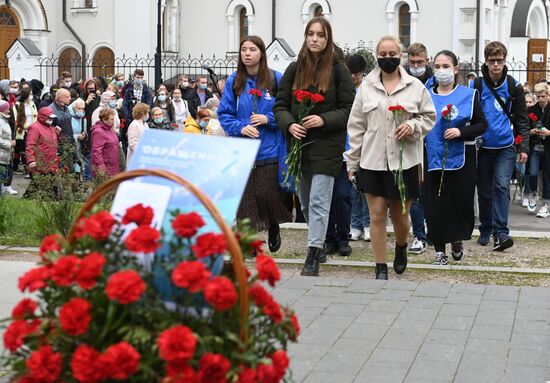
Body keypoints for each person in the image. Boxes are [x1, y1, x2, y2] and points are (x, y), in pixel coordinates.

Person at [345, 36, 436, 280]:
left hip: (404, 162)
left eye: (392, 54)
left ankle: (401, 246)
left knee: (400, 216)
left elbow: (429, 117)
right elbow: (356, 127)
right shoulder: (366, 87)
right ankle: (380, 267)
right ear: (376, 57)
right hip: (372, 161)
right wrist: (351, 163)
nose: (387, 58)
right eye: (382, 54)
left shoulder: (415, 87)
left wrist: (413, 126)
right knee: (375, 215)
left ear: (400, 55)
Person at [274, 18, 355, 276]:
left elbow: (349, 108)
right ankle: (318, 243)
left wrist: (323, 119)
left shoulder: (339, 70)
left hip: (327, 144)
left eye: (320, 35)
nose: (315, 39)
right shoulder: (294, 69)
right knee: (306, 203)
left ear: (328, 39)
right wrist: (289, 125)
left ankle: (312, 255)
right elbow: (280, 106)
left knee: (320, 200)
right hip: (299, 145)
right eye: (311, 34)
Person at [217, 36, 292, 252]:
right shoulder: (234, 81)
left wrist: (267, 119)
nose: (247, 53)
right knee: (245, 196)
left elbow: (286, 112)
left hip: (269, 147)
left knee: (266, 193)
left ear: (261, 53)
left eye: (252, 49)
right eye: (243, 49)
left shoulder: (275, 79)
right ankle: (246, 239)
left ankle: (273, 225)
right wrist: (240, 127)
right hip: (242, 148)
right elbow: (224, 113)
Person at [424, 50, 488, 265]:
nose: (441, 71)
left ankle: (457, 239)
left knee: (459, 203)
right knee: (436, 205)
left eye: (446, 66)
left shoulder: (468, 95)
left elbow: (481, 124)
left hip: (462, 158)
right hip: (433, 156)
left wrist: (461, 133)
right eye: (437, 67)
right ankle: (439, 251)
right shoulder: (425, 95)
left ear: (455, 69)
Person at [470, 41, 529, 251]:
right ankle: (485, 228)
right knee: (484, 191)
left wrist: (524, 148)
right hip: (483, 147)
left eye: (500, 60)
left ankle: (501, 232)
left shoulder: (514, 86)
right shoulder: (476, 85)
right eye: (492, 60)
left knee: (501, 186)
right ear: (486, 62)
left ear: (505, 61)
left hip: (506, 146)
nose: (496, 64)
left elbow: (522, 118)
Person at [405, 42, 435, 254]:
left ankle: (434, 230)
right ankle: (419, 235)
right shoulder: (403, 81)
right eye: (413, 62)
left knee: (432, 191)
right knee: (414, 191)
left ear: (427, 60)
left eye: (420, 62)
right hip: (411, 142)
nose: (416, 66)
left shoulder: (435, 83)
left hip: (433, 143)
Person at [344, 53, 371, 243]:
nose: (353, 77)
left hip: (367, 144)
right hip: (348, 142)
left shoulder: (367, 89)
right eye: (350, 73)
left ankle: (368, 225)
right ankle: (355, 225)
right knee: (352, 189)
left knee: (366, 189)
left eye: (357, 73)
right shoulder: (345, 90)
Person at [525, 82, 550, 217]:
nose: (540, 99)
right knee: (533, 172)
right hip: (535, 145)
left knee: (547, 176)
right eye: (538, 96)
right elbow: (524, 127)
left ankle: (545, 204)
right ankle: (533, 194)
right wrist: (531, 131)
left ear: (547, 95)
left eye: (542, 96)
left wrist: (548, 132)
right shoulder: (531, 110)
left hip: (548, 147)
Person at [25, 106, 59, 177]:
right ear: (43, 117)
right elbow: (30, 144)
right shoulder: (34, 128)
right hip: (40, 164)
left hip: (51, 163)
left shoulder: (51, 127)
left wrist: (58, 133)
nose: (51, 119)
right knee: (39, 186)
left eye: (52, 118)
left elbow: (54, 143)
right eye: (49, 117)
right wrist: (31, 160)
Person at [12, 87, 37, 179]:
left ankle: (32, 170)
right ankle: (27, 171)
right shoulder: (17, 105)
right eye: (30, 94)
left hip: (33, 130)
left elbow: (35, 116)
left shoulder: (32, 104)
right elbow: (15, 119)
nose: (31, 96)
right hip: (23, 131)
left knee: (33, 150)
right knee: (24, 152)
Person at [91, 108, 119, 178]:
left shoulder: (109, 128)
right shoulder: (98, 132)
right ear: (104, 120)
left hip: (112, 166)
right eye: (111, 119)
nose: (113, 122)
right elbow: (97, 151)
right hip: (105, 168)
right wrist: (101, 167)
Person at [68, 98, 89, 179]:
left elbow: (85, 131)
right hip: (71, 145)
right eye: (79, 108)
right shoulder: (69, 116)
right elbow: (66, 132)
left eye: (82, 108)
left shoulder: (82, 117)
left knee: (80, 164)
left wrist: (84, 135)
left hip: (80, 146)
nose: (81, 110)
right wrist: (77, 136)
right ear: (74, 108)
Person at [0, 100, 15, 195]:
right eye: (7, 108)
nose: (9, 110)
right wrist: (10, 144)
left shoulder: (4, 119)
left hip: (5, 156)